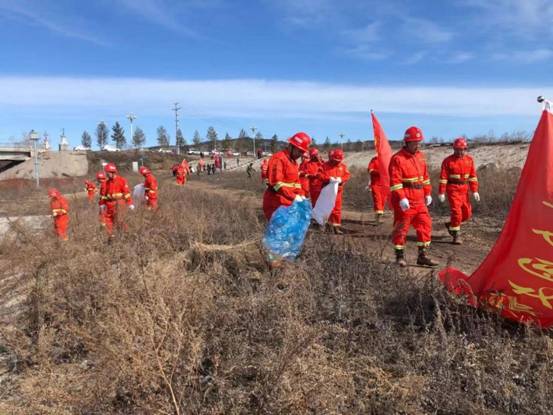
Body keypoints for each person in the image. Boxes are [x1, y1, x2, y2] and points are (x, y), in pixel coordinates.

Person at [389, 126, 437, 267]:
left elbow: (425, 178)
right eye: (415, 142)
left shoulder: (420, 157)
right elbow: (395, 181)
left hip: (419, 199)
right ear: (407, 142)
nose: (417, 145)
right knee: (402, 228)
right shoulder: (397, 159)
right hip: (406, 200)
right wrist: (402, 197)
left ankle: (422, 256)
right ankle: (399, 256)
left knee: (425, 225)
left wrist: (428, 193)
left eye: (418, 142)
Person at [438, 138, 480, 244]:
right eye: (457, 149)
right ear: (454, 149)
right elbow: (443, 178)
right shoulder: (447, 161)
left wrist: (475, 190)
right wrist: (442, 192)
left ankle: (451, 224)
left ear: (465, 149)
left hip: (464, 189)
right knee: (457, 212)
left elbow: (473, 177)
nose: (460, 151)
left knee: (467, 213)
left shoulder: (469, 160)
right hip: (453, 189)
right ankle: (456, 235)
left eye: (462, 149)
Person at [263, 132, 311, 220]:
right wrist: (294, 197)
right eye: (300, 151)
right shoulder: (279, 159)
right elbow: (276, 184)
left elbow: (296, 183)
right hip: (276, 204)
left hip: (288, 204)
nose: (301, 155)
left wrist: (301, 195)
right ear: (291, 146)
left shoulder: (293, 163)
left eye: (303, 152)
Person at [320, 148, 351, 234]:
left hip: (338, 191)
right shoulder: (324, 166)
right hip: (327, 191)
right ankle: (325, 226)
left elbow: (347, 175)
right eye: (335, 160)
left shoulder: (343, 166)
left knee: (337, 209)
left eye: (339, 161)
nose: (337, 162)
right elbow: (320, 175)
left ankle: (336, 227)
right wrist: (329, 179)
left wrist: (341, 179)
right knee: (326, 208)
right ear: (331, 158)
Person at [100, 163, 134, 237]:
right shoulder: (106, 183)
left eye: (107, 172)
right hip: (109, 204)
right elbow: (103, 195)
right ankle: (111, 236)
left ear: (113, 172)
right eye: (106, 172)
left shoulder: (121, 180)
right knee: (108, 220)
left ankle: (126, 235)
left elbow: (126, 193)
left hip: (119, 203)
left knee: (121, 221)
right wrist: (102, 204)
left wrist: (130, 203)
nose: (106, 174)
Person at [368, 155, 385, 223]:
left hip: (384, 185)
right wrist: (379, 172)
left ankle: (378, 219)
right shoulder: (374, 160)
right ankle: (377, 218)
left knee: (383, 201)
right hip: (375, 184)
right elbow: (370, 170)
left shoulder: (386, 160)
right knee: (377, 199)